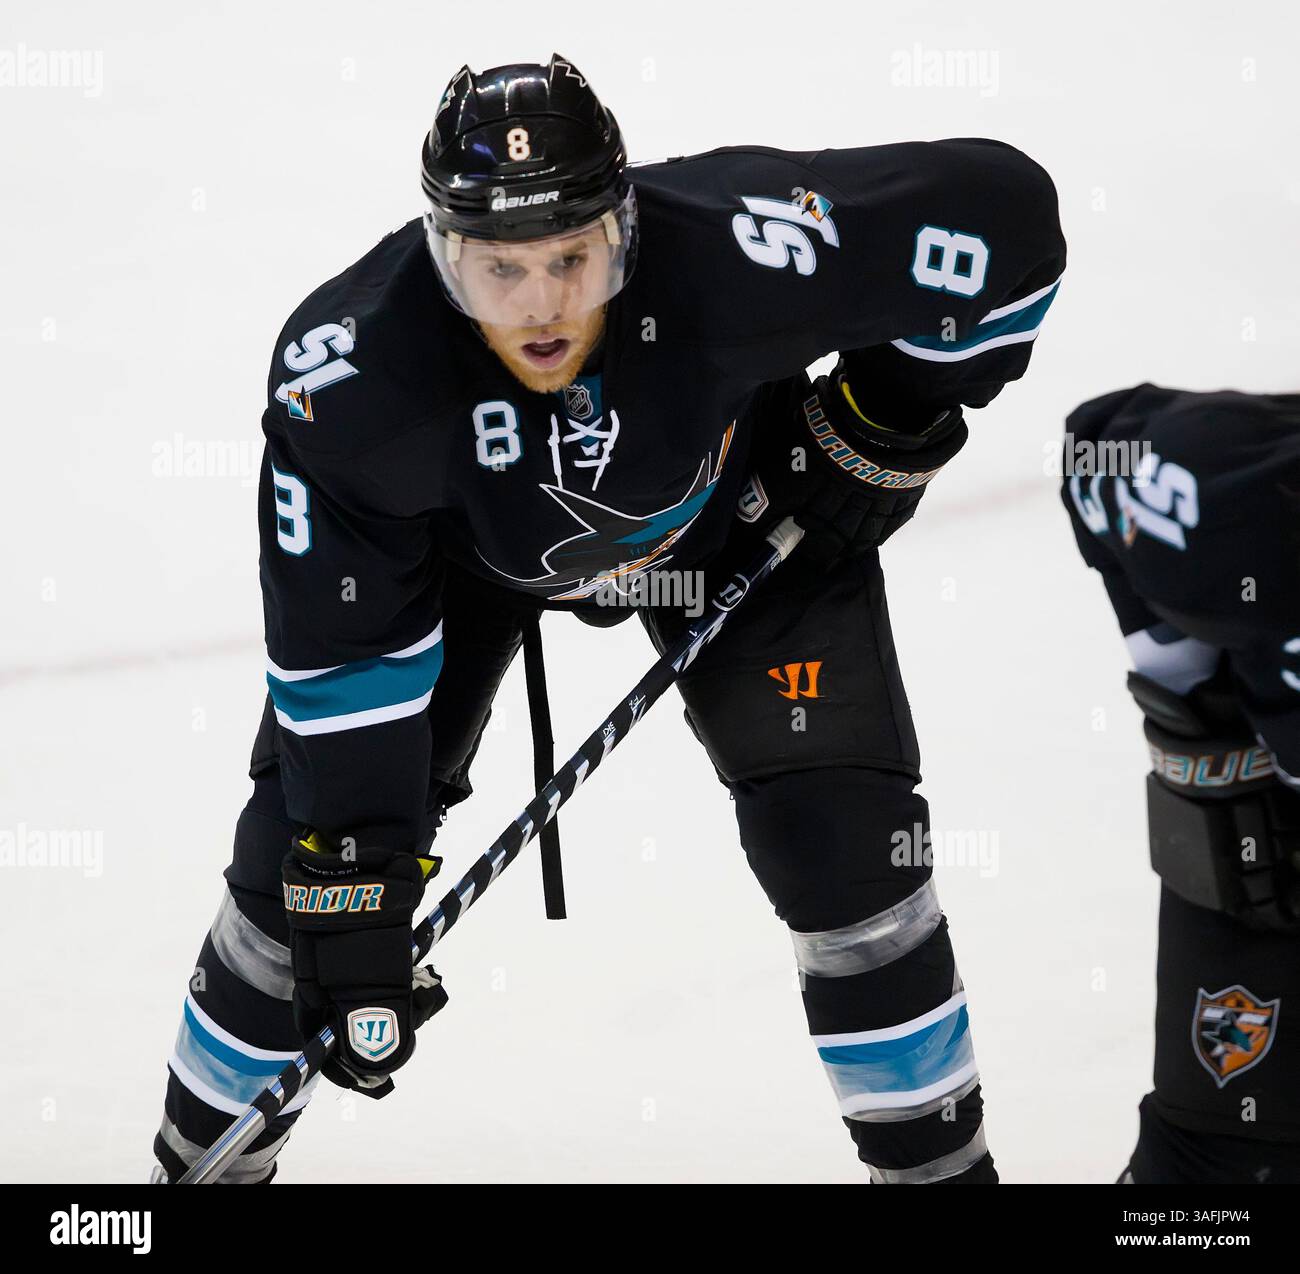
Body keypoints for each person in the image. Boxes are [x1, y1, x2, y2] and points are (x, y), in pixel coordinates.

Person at [152, 53, 1064, 1184]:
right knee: (298, 905)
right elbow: (344, 659)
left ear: (624, 228)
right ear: (442, 255)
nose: (538, 304)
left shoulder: (737, 249)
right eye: (498, 269)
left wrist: (880, 419)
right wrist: (350, 873)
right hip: (456, 564)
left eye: (570, 258)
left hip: (739, 516)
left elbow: (1006, 222)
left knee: (850, 856)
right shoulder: (351, 381)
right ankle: (193, 1176)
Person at [1062, 384, 1300, 1183]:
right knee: (1209, 1169)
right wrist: (1188, 701)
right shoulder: (1222, 498)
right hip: (1248, 869)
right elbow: (1095, 452)